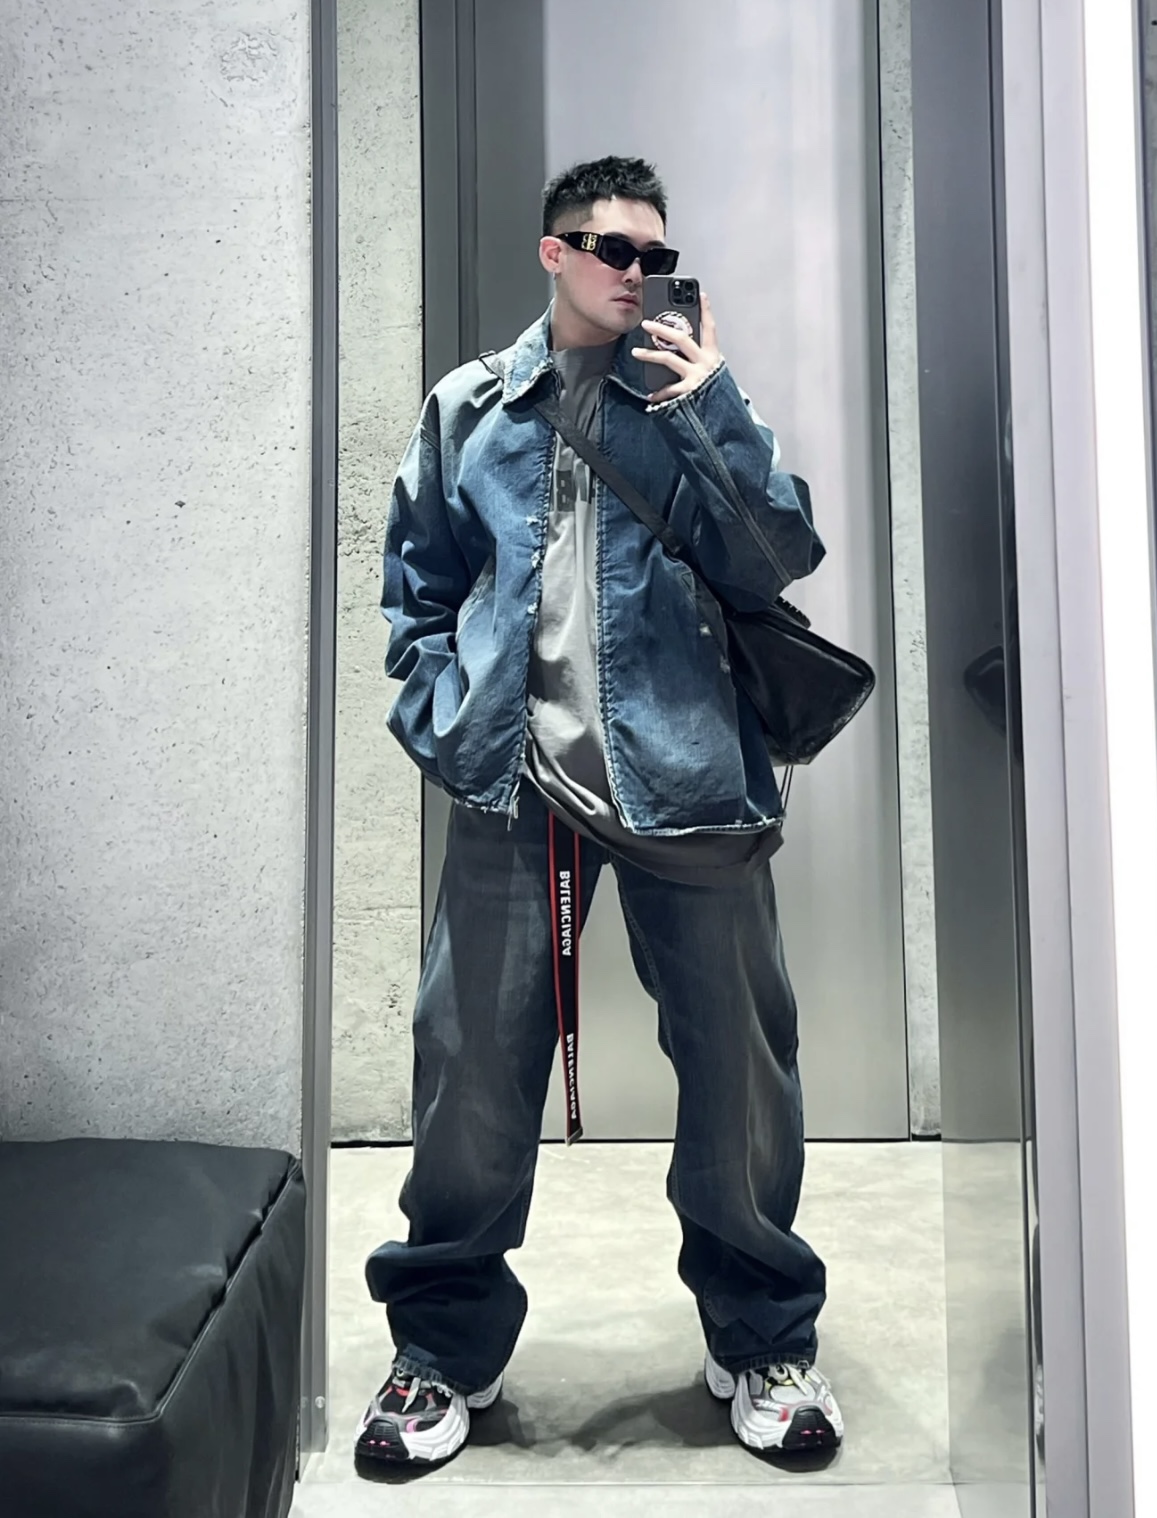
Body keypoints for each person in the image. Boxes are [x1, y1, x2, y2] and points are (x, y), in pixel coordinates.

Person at [356, 155, 843, 1467]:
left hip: (690, 784)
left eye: (654, 255)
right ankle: (439, 1351)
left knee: (742, 1075)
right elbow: (416, 590)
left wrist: (713, 408)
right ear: (553, 253)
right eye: (611, 248)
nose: (636, 273)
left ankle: (764, 1337)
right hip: (516, 787)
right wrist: (447, 714)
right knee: (468, 1080)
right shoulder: (472, 407)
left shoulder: (686, 398)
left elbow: (779, 556)